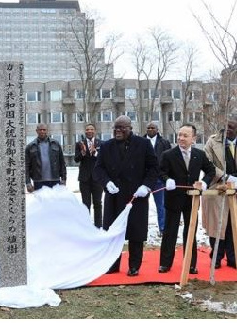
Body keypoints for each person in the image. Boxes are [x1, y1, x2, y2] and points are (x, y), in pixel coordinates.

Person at [93, 115, 158, 276]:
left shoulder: (143, 144)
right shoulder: (106, 146)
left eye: (121, 128)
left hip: (136, 196)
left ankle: (134, 266)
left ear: (130, 128)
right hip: (114, 196)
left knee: (136, 233)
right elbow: (98, 169)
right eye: (115, 128)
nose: (118, 131)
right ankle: (112, 264)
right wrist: (106, 182)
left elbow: (153, 168)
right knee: (113, 232)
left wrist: (146, 185)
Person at [158, 124, 215, 274]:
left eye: (185, 135)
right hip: (173, 199)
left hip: (192, 200)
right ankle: (165, 263)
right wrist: (167, 180)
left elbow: (211, 170)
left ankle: (190, 263)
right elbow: (161, 172)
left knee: (190, 232)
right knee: (170, 231)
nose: (181, 138)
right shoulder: (168, 154)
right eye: (180, 135)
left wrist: (204, 182)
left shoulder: (199, 154)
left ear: (193, 139)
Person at [203, 117, 237, 269]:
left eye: (231, 127)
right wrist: (225, 177)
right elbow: (207, 163)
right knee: (217, 225)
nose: (227, 129)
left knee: (234, 225)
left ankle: (233, 259)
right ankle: (216, 257)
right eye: (225, 125)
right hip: (217, 188)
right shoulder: (212, 141)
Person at [143, 121, 172, 236]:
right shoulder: (141, 142)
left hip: (159, 179)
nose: (150, 129)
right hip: (144, 179)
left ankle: (163, 228)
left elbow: (169, 160)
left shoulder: (164, 143)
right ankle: (142, 229)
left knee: (161, 205)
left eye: (153, 128)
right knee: (142, 206)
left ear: (157, 130)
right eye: (148, 128)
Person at [74, 123, 103, 227]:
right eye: (87, 129)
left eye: (91, 129)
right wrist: (82, 153)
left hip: (97, 179)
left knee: (98, 204)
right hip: (84, 179)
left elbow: (103, 159)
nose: (89, 131)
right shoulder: (79, 143)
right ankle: (86, 227)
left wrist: (95, 153)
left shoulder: (101, 143)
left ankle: (98, 227)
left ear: (94, 131)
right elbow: (76, 159)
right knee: (85, 204)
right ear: (85, 131)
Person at [25, 123, 66, 192]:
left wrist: (64, 179)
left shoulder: (55, 144)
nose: (42, 131)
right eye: (40, 130)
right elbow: (26, 166)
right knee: (40, 202)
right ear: (36, 131)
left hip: (55, 180)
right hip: (38, 181)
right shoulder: (30, 146)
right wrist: (28, 182)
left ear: (47, 131)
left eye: (44, 130)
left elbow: (62, 162)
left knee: (55, 202)